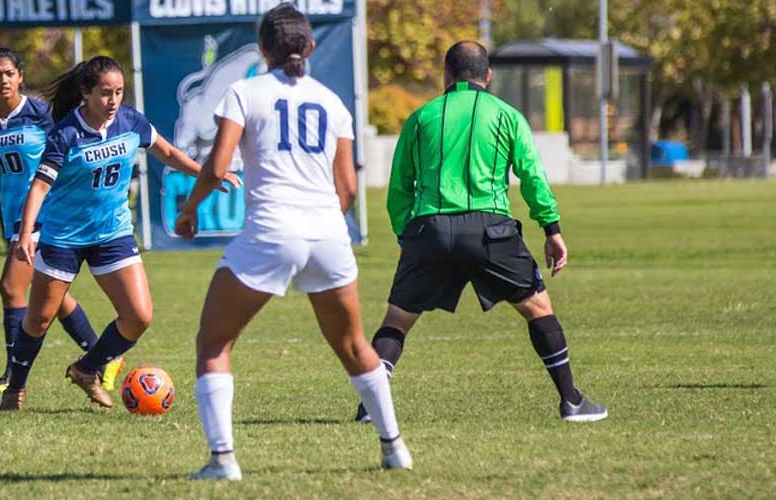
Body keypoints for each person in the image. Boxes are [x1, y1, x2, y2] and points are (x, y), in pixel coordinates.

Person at [175, 4, 412, 480]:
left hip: (270, 231)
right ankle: (394, 447)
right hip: (328, 232)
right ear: (311, 47)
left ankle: (223, 461)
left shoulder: (244, 91)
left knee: (214, 344)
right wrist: (321, 225)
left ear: (263, 49)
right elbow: (347, 188)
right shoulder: (333, 102)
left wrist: (188, 209)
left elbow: (219, 168)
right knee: (353, 345)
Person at [356, 40, 607, 423]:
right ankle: (571, 401)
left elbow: (398, 190)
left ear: (446, 74)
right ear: (488, 76)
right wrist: (551, 228)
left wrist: (411, 237)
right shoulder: (506, 115)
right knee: (539, 309)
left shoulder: (422, 117)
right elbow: (532, 179)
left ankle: (369, 410)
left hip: (430, 228)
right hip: (491, 231)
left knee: (397, 320)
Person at [0, 54, 240, 411]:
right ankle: (14, 389)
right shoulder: (65, 134)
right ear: (86, 92)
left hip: (112, 234)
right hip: (64, 236)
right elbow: (38, 188)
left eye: (118, 92)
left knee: (139, 316)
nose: (112, 101)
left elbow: (169, 153)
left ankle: (87, 368)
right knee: (39, 319)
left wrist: (207, 173)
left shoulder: (130, 121)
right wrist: (24, 238)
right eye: (104, 93)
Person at [0, 48, 121, 395]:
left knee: (11, 288)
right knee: (51, 298)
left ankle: (13, 376)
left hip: (47, 212)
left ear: (20, 76)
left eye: (9, 73)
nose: (3, 80)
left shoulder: (41, 113)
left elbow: (72, 143)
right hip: (16, 215)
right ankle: (105, 357)